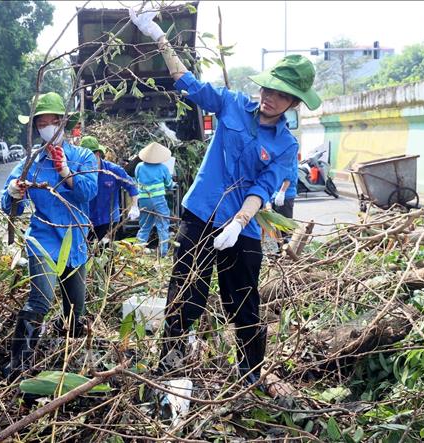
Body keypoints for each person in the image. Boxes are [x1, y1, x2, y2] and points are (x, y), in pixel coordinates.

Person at [129, 9, 322, 384]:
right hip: (200, 214)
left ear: (293, 103)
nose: (270, 98)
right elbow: (188, 83)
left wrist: (239, 221)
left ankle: (248, 376)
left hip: (242, 230)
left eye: (281, 95)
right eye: (269, 89)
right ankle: (168, 366)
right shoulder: (232, 104)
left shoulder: (285, 145)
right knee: (185, 296)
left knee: (244, 306)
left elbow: (263, 188)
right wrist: (159, 37)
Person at [1, 92, 98, 377]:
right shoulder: (31, 163)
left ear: (64, 122)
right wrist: (13, 193)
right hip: (43, 240)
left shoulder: (83, 156)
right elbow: (11, 207)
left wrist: (66, 171)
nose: (48, 127)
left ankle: (67, 352)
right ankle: (17, 365)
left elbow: (88, 191)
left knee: (75, 311)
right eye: (42, 122)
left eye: (53, 121)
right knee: (40, 300)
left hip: (75, 242)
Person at [81, 135, 139, 243]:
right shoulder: (79, 172)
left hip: (109, 221)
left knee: (106, 253)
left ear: (97, 154)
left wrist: (134, 205)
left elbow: (131, 185)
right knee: (88, 254)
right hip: (86, 221)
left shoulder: (113, 170)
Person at [134, 142, 173, 257]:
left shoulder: (139, 166)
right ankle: (163, 253)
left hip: (144, 199)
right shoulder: (163, 167)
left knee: (145, 225)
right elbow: (169, 184)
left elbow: (137, 179)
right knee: (163, 224)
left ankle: (138, 252)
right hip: (158, 200)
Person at [272, 156, 299, 240]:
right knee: (277, 225)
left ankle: (288, 248)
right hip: (275, 194)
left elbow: (289, 176)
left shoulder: (290, 155)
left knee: (286, 225)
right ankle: (281, 248)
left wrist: (282, 192)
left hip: (285, 196)